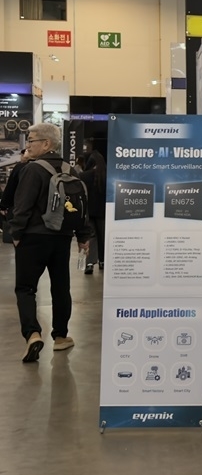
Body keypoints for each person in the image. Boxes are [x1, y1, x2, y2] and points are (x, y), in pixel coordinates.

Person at [9, 123, 93, 362]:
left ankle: (33, 334)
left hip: (33, 238)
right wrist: (83, 236)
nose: (28, 145)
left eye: (31, 140)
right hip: (62, 238)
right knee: (60, 287)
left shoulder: (33, 170)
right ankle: (61, 337)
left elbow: (22, 206)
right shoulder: (70, 169)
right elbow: (81, 206)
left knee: (26, 288)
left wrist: (16, 234)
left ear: (46, 144)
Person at [79, 139, 106, 275]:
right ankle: (103, 261)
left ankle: (90, 263)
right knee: (103, 236)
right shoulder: (107, 175)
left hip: (88, 212)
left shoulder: (83, 176)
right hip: (103, 212)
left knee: (91, 236)